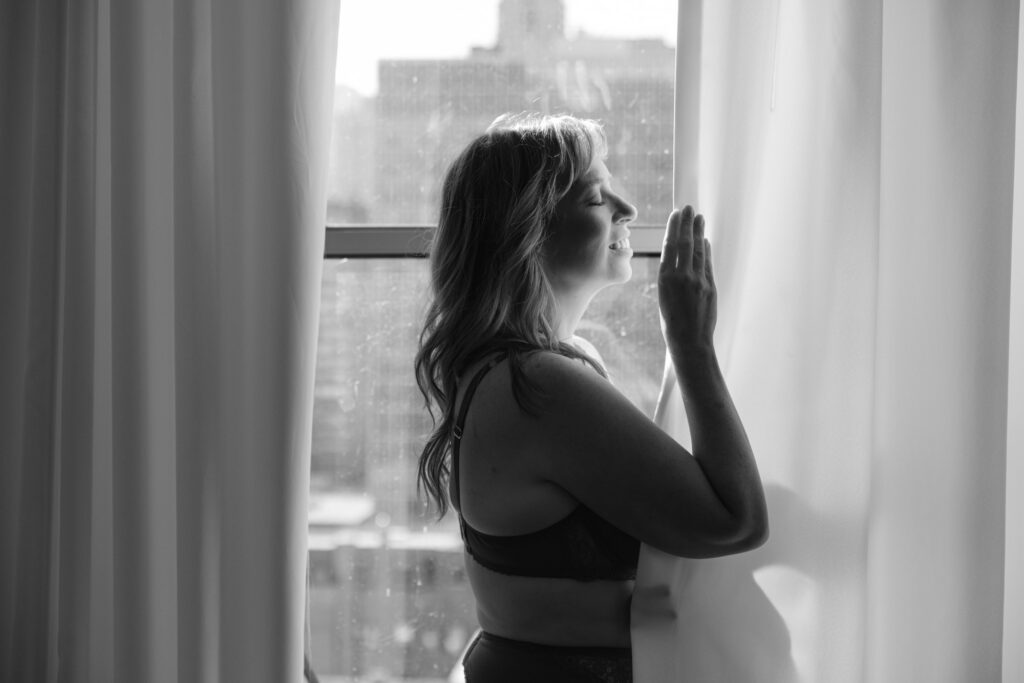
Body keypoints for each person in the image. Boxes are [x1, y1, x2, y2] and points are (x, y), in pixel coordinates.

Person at [414, 113, 768, 682]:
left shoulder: (523, 368)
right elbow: (735, 522)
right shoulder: (537, 385)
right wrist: (692, 344)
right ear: (527, 232)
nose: (627, 209)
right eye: (598, 198)